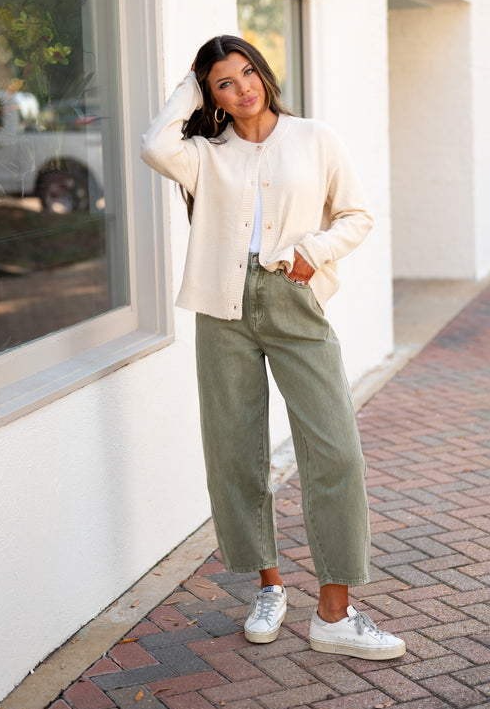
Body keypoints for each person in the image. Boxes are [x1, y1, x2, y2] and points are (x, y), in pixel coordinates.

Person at [141, 34, 405, 660]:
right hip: (222, 308)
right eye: (224, 83)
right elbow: (154, 143)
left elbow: (357, 216)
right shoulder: (205, 155)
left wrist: (312, 254)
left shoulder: (315, 138)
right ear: (212, 97)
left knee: (335, 451)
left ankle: (335, 614)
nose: (243, 88)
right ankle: (269, 586)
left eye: (248, 73)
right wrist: (190, 80)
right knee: (236, 451)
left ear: (265, 73)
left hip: (291, 298)